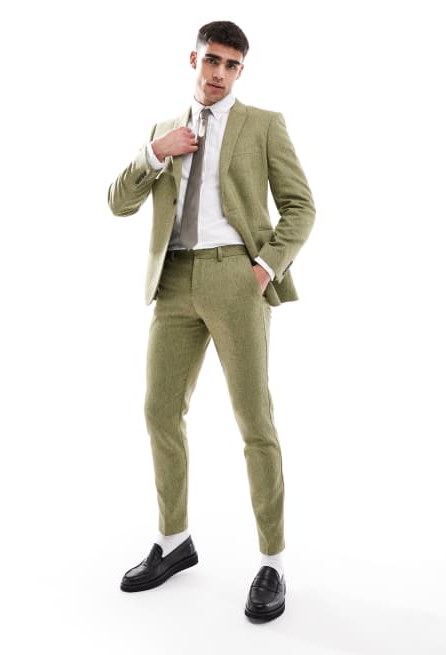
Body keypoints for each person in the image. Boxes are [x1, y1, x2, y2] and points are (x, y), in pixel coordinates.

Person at [107, 20, 315, 622]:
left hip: (236, 279)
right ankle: (174, 540)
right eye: (211, 60)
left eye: (231, 64)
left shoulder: (264, 125)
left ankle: (272, 561)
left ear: (240, 70)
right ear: (193, 60)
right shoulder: (162, 130)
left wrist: (264, 269)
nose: (219, 72)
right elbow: (118, 202)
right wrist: (155, 154)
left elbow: (301, 206)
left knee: (254, 419)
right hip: (172, 281)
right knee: (159, 410)